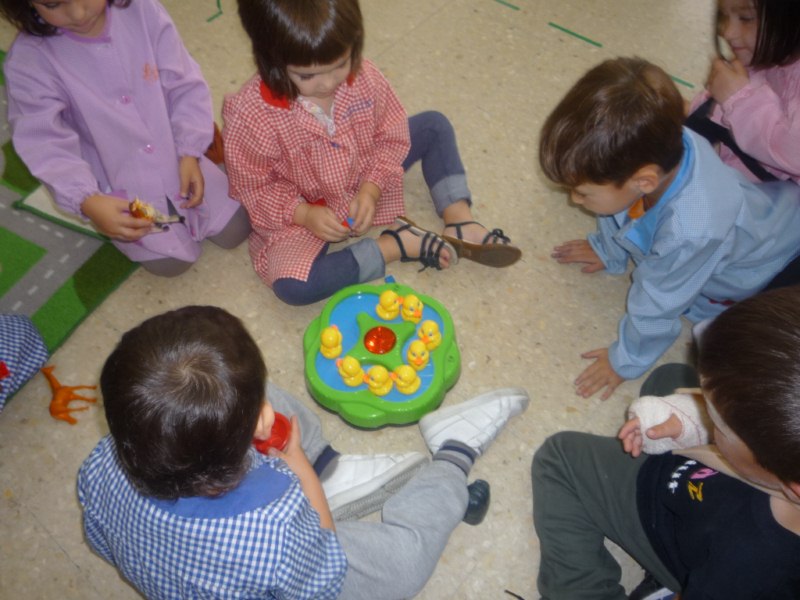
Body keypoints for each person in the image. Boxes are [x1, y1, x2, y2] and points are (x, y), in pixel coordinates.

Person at [78, 305, 530, 598]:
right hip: (291, 550)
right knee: (404, 564)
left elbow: (102, 542)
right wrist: (297, 464)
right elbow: (325, 555)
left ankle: (327, 466)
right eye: (259, 414)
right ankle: (454, 452)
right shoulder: (274, 530)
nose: (266, 411)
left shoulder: (99, 464)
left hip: (213, 505)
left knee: (221, 393)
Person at [222, 0, 521, 306]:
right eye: (307, 76)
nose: (328, 83)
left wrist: (371, 188)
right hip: (307, 208)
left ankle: (459, 220)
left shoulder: (366, 77)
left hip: (361, 171)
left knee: (433, 126)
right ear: (271, 61)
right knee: (293, 287)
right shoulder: (250, 116)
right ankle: (394, 245)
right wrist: (304, 214)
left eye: (341, 64)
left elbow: (391, 136)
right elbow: (253, 187)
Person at [540, 56, 800, 400]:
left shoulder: (692, 229)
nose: (574, 200)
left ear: (644, 181)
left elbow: (659, 303)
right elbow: (622, 206)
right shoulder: (652, 149)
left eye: (583, 193)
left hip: (777, 262)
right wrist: (609, 249)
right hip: (773, 207)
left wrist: (624, 361)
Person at [532, 286, 800, 599]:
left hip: (668, 521)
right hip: (713, 501)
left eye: (717, 424)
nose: (704, 413)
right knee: (672, 375)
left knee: (560, 457)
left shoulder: (749, 569)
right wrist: (686, 423)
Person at [0, 0, 251, 277]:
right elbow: (44, 145)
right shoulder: (29, 63)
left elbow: (183, 81)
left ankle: (211, 166)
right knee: (171, 265)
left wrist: (190, 148)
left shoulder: (142, 9)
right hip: (121, 184)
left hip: (180, 157)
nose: (77, 13)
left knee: (237, 229)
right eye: (52, 4)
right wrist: (86, 200)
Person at [685, 0, 800, 184]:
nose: (727, 32)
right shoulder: (764, 53)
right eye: (724, 16)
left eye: (746, 18)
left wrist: (738, 100)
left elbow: (793, 151)